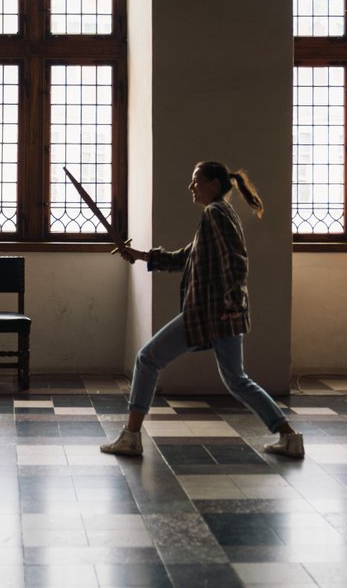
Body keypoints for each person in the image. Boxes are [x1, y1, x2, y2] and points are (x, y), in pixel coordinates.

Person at [102, 161, 304, 460]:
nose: (191, 187)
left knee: (147, 360)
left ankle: (131, 437)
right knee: (236, 379)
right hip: (219, 312)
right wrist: (140, 255)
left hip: (209, 312)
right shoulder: (220, 213)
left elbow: (236, 261)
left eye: (196, 180)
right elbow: (185, 258)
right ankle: (289, 437)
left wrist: (231, 303)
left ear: (213, 183)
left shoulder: (215, 213)